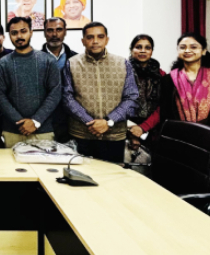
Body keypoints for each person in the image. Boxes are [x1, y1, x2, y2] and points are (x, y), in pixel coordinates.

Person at [62, 22, 138, 163]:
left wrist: (109, 122)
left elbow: (131, 97)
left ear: (107, 40)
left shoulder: (122, 63)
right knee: (81, 175)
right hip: (82, 135)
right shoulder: (72, 63)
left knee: (112, 175)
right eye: (90, 37)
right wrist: (89, 122)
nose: (95, 41)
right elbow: (67, 98)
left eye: (100, 37)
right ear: (83, 41)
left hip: (114, 135)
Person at [0, 16, 61, 147]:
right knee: (11, 161)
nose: (19, 36)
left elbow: (55, 93)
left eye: (23, 31)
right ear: (9, 35)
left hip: (43, 130)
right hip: (13, 130)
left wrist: (35, 121)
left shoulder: (48, 60)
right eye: (14, 33)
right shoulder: (3, 63)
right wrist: (19, 121)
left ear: (31, 32)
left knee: (43, 161)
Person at [159, 33, 210, 134]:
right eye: (182, 47)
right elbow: (166, 113)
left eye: (193, 47)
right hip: (181, 135)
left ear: (203, 51)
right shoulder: (168, 80)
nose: (187, 50)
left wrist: (201, 130)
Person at [42, 17, 78, 143]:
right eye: (50, 30)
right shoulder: (35, 59)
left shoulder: (77, 59)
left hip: (70, 121)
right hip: (44, 121)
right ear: (44, 32)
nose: (54, 34)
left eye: (59, 30)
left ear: (65, 31)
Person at [127, 35, 165, 147]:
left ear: (151, 51)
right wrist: (131, 129)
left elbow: (163, 106)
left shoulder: (161, 75)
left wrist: (143, 127)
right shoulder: (121, 72)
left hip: (153, 129)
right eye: (138, 47)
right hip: (123, 128)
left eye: (147, 48)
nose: (143, 50)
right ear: (131, 50)